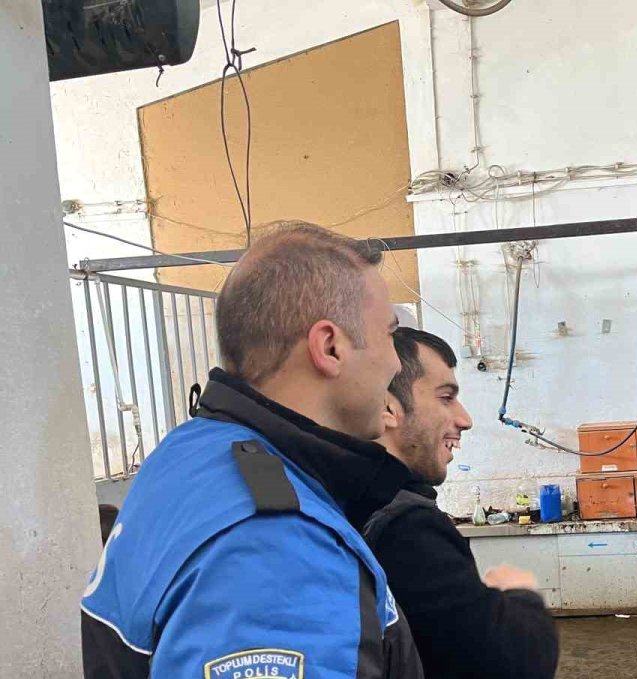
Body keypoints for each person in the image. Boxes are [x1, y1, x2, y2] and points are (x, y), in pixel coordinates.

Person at [81, 222, 424, 679]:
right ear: (330, 347)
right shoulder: (276, 549)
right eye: (389, 336)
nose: (396, 363)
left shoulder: (190, 452)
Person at [363, 328, 559, 679]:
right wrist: (520, 597)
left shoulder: (346, 499)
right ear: (388, 407)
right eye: (445, 397)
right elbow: (510, 667)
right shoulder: (406, 528)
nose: (465, 419)